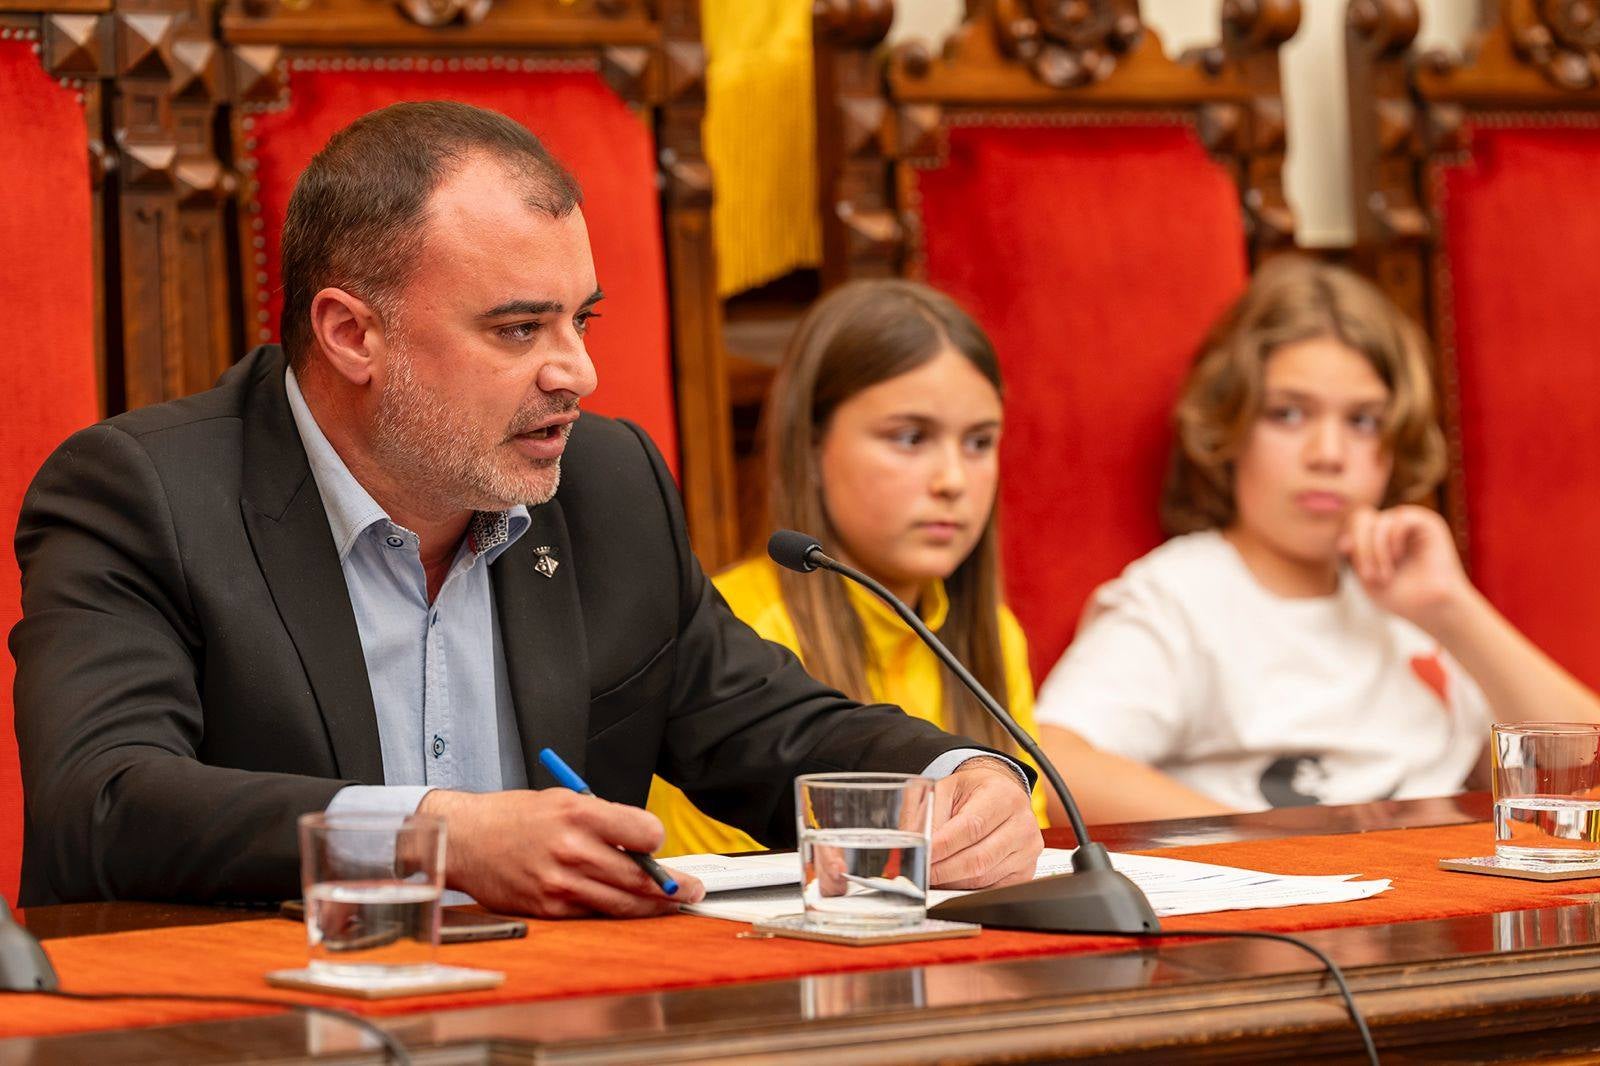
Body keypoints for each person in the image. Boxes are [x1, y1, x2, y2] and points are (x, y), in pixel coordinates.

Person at [9, 102, 1042, 915]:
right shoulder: (144, 494)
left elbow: (770, 728)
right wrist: (440, 835)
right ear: (350, 334)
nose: (578, 372)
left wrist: (954, 776)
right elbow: (101, 804)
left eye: (580, 319)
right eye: (517, 329)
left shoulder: (604, 486)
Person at [1033, 256, 1600, 822]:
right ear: (1231, 429)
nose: (1327, 454)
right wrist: (1270, 849)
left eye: (1363, 422)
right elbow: (1056, 766)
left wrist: (1453, 609)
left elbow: (1584, 770)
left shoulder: (1417, 603)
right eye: (1288, 414)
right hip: (1298, 895)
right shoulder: (1181, 598)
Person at [648, 280, 1050, 858]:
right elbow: (738, 885)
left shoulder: (994, 632)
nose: (954, 481)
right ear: (812, 448)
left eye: (980, 442)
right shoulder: (733, 634)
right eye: (910, 438)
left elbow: (1022, 843)